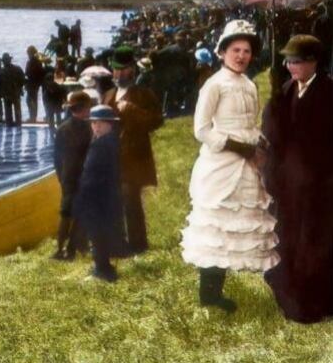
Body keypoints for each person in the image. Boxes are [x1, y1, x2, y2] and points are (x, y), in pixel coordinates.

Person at [180, 20, 279, 313]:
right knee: (217, 227)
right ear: (222, 52)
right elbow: (201, 129)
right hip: (222, 164)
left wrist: (260, 143)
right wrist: (237, 146)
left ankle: (222, 291)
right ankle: (209, 295)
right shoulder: (214, 84)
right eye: (235, 50)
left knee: (240, 226)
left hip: (249, 164)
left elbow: (250, 123)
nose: (241, 56)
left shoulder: (248, 84)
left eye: (246, 51)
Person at [263, 34, 333, 323]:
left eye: (298, 61)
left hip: (319, 181)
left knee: (315, 241)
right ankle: (293, 298)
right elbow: (275, 133)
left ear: (314, 62)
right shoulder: (288, 88)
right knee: (290, 236)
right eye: (288, 61)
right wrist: (275, 101)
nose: (292, 66)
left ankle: (316, 303)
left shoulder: (328, 92)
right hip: (291, 181)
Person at [102, 46, 163, 256]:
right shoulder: (108, 94)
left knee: (130, 200)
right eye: (115, 69)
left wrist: (133, 111)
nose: (118, 74)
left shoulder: (143, 94)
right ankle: (117, 242)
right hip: (111, 157)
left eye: (122, 69)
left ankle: (138, 245)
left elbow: (157, 121)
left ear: (132, 70)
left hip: (134, 157)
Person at [72, 105, 124, 282]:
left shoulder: (102, 144)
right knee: (100, 232)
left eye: (101, 123)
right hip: (105, 196)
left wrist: (81, 197)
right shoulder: (109, 141)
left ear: (110, 124)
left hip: (97, 197)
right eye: (94, 123)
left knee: (96, 233)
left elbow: (92, 174)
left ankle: (103, 271)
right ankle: (104, 267)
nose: (96, 127)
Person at [52, 91, 93, 260]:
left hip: (67, 177)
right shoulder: (90, 128)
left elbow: (56, 157)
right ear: (84, 108)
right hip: (84, 176)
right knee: (80, 214)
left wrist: (61, 177)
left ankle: (60, 249)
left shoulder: (62, 128)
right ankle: (73, 248)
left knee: (65, 214)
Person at [0, 52, 25, 127]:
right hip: (15, 92)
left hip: (7, 94)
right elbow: (23, 80)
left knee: (8, 111)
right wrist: (20, 88)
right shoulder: (17, 68)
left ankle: (9, 124)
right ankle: (18, 123)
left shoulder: (2, 71)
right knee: (17, 110)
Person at [24, 46, 45, 123]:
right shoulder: (38, 62)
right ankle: (33, 116)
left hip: (31, 83)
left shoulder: (31, 62)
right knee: (34, 100)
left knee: (30, 100)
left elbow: (27, 72)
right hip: (36, 83)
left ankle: (32, 117)